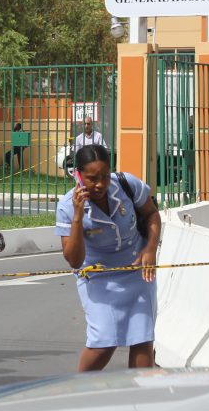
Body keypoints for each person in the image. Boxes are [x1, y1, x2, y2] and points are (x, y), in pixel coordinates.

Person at [55, 144, 161, 372]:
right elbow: (74, 260)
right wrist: (77, 215)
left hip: (138, 272)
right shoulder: (66, 206)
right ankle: (81, 395)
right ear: (78, 175)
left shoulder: (127, 184)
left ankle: (140, 398)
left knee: (142, 339)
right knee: (103, 343)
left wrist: (150, 248)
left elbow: (152, 213)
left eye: (105, 176)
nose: (101, 184)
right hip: (98, 279)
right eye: (92, 178)